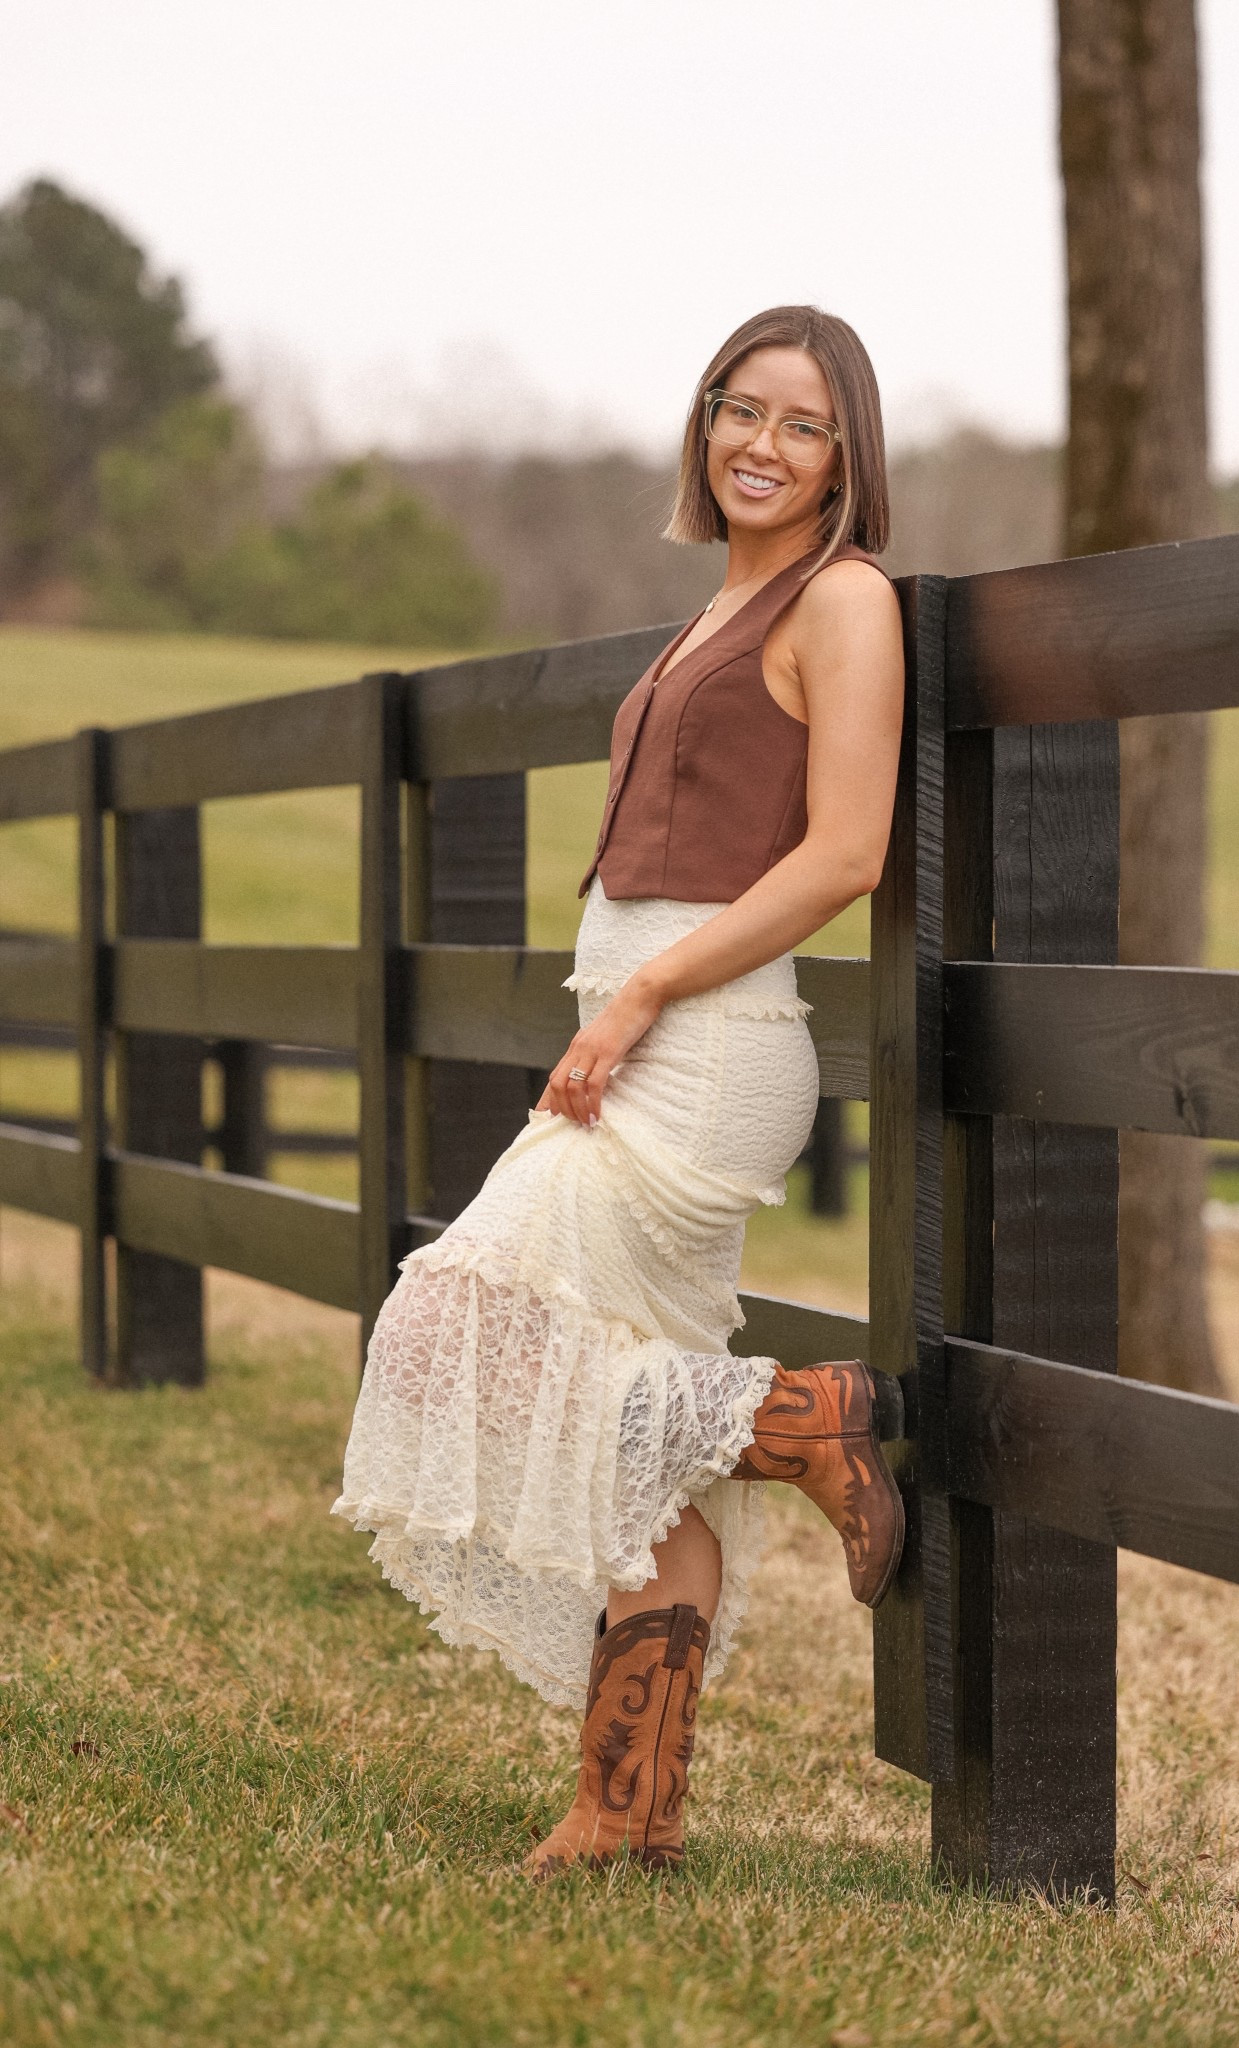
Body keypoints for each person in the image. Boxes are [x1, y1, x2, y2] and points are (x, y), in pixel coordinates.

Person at [332, 304, 906, 1877]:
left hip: (709, 1037)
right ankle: (623, 1814)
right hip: (639, 1021)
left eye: (800, 423)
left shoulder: (842, 599)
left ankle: (803, 1420)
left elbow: (844, 854)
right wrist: (619, 992)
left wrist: (650, 987)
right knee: (615, 1438)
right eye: (737, 408)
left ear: (847, 453)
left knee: (458, 1315)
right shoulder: (713, 610)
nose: (758, 445)